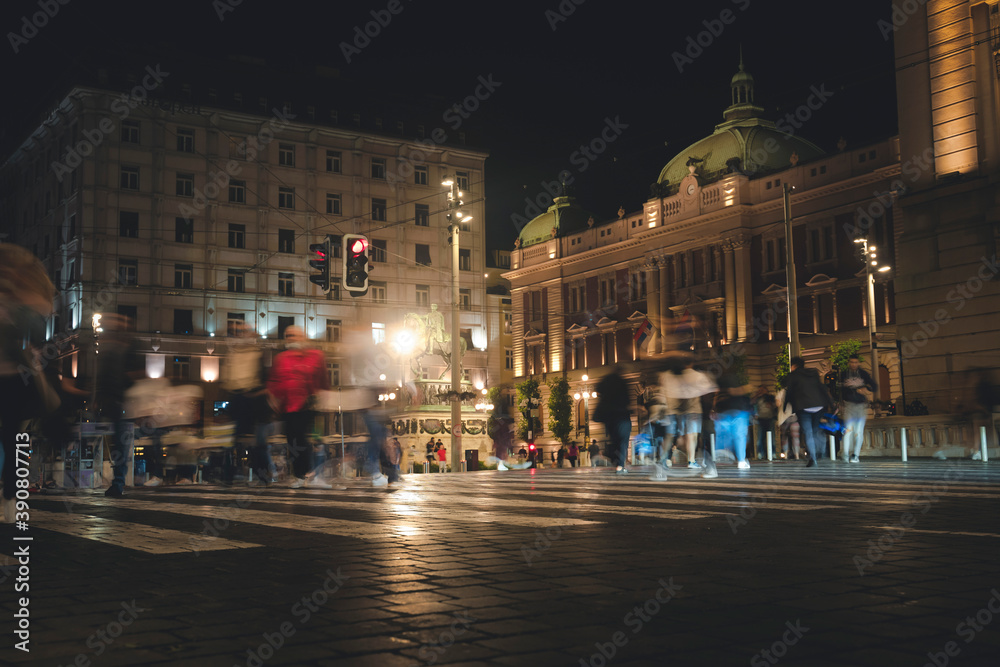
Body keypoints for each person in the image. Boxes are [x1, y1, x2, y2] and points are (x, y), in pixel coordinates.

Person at [0, 245, 56, 519]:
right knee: (11, 440)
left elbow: (36, 334)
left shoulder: (22, 305)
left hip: (13, 380)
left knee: (13, 441)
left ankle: (10, 496)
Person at [267, 326, 331, 488]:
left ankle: (309, 473)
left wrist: (324, 397)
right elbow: (274, 381)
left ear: (303, 337)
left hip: (308, 404)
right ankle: (301, 474)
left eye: (294, 335)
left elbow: (323, 379)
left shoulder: (316, 356)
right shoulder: (281, 359)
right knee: (293, 440)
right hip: (288, 407)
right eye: (288, 336)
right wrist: (273, 398)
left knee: (304, 438)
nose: (291, 339)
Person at [223, 322, 276, 484]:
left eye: (244, 332)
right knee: (232, 440)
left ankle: (263, 475)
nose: (240, 335)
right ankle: (229, 475)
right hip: (239, 399)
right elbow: (228, 379)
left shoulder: (257, 353)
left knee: (258, 442)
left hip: (255, 399)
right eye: (237, 332)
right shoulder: (232, 355)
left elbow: (265, 378)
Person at [659, 354, 716, 472]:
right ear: (691, 363)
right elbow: (711, 387)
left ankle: (663, 459)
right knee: (692, 435)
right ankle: (691, 460)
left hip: (673, 410)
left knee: (671, 436)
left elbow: (663, 390)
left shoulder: (669, 375)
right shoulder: (696, 375)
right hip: (693, 409)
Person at [783, 357, 836, 467]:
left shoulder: (793, 375)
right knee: (815, 430)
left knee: (808, 432)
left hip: (804, 406)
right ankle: (820, 451)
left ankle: (813, 457)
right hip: (819, 405)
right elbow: (822, 388)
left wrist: (786, 405)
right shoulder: (813, 373)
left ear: (793, 366)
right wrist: (831, 404)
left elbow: (790, 392)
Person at [594, 366, 632, 474]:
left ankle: (616, 461)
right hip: (622, 415)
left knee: (614, 440)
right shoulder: (622, 382)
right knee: (623, 441)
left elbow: (597, 389)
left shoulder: (606, 380)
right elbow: (627, 400)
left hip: (609, 416)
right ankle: (620, 465)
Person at [840, 355, 876, 463]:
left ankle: (855, 455)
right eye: (851, 362)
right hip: (848, 404)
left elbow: (874, 386)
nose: (853, 364)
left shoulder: (863, 374)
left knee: (858, 431)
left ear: (858, 363)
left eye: (855, 362)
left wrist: (866, 388)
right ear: (848, 363)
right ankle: (846, 453)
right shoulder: (843, 375)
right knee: (848, 430)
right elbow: (840, 389)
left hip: (860, 405)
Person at [714, 372, 753, 470]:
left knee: (723, 434)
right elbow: (734, 391)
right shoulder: (733, 382)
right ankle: (741, 460)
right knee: (740, 436)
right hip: (738, 410)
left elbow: (716, 395)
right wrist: (746, 388)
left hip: (723, 411)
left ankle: (721, 452)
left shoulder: (720, 382)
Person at [752, 386, 777, 460]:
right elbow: (752, 403)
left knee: (772, 437)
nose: (761, 391)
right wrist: (757, 395)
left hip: (770, 418)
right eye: (760, 390)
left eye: (763, 390)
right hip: (761, 419)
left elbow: (775, 406)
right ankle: (760, 453)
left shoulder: (771, 397)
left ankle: (773, 453)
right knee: (760, 437)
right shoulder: (758, 399)